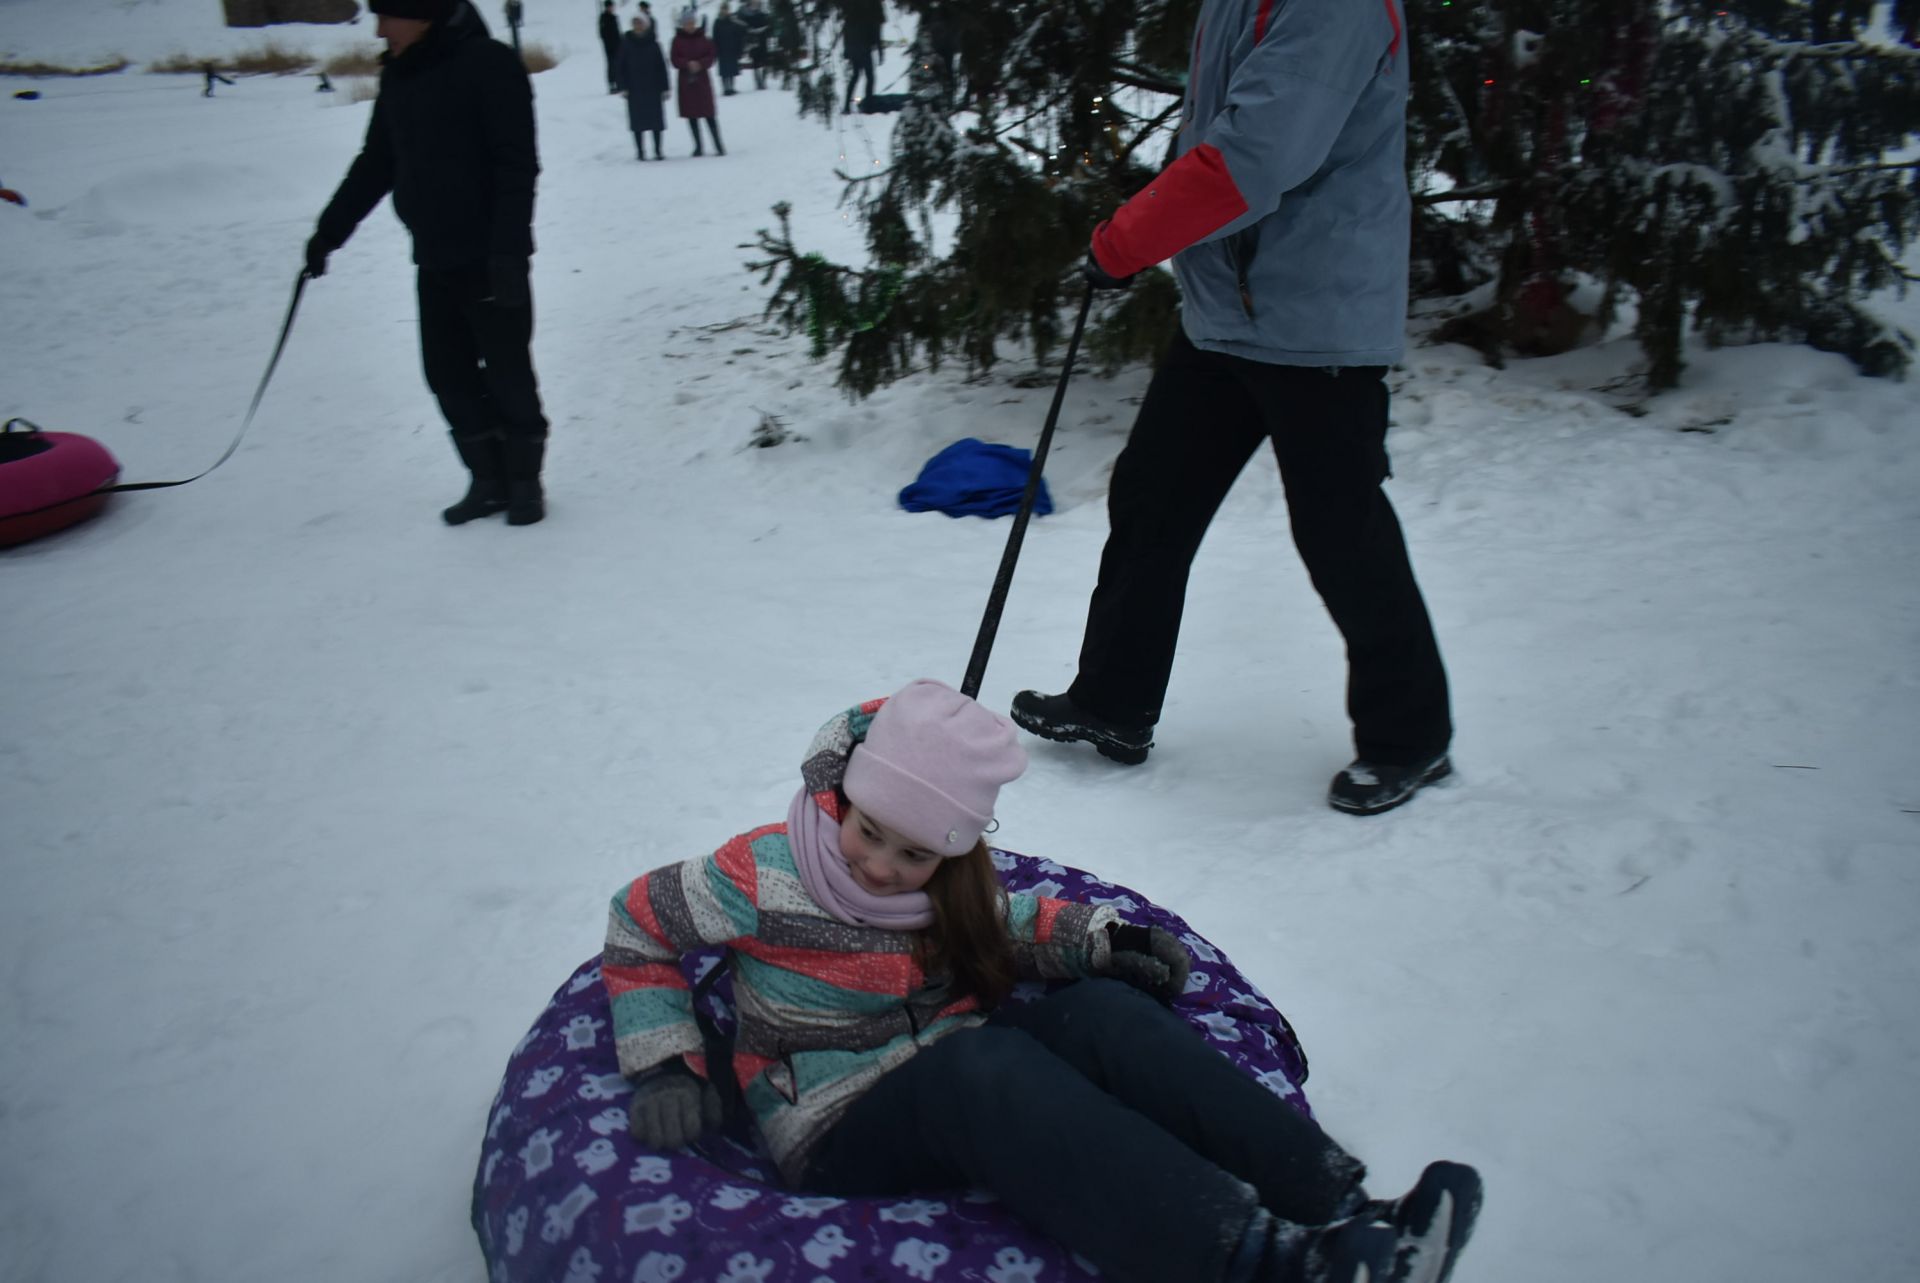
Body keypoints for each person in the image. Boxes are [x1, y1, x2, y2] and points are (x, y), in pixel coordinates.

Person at [604, 678, 1484, 1283]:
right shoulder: (759, 873)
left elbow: (1009, 922)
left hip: (946, 1054)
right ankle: (1265, 1261)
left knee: (1101, 1013)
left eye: (915, 853)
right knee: (979, 1072)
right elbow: (638, 921)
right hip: (829, 1115)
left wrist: (1101, 943)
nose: (879, 866)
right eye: (869, 831)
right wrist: (667, 1063)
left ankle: (1342, 1204)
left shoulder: (945, 877)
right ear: (847, 795)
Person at [1011, 0, 1451, 817]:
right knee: (1152, 498)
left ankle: (1411, 733)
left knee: (1339, 527)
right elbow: (1213, 133)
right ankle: (1114, 702)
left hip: (1320, 318)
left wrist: (1125, 240)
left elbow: (1252, 158)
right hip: (1227, 315)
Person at [304, 0, 549, 526]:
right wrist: (330, 232)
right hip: (434, 256)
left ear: (423, 14)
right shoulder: (402, 74)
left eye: (387, 15)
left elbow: (516, 164)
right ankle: (487, 481)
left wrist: (508, 251)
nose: (379, 28)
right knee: (446, 373)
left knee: (507, 372)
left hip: (490, 255)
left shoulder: (490, 64)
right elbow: (377, 162)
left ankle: (525, 482)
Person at [669, 7, 724, 156]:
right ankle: (698, 146)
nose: (690, 25)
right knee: (691, 115)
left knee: (709, 114)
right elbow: (674, 59)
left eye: (692, 22)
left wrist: (701, 63)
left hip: (702, 80)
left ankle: (718, 145)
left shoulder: (704, 38)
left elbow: (711, 55)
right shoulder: (677, 40)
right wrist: (687, 64)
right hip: (686, 81)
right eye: (687, 23)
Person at [616, 13, 671, 159]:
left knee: (656, 121)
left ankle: (658, 150)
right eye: (635, 23)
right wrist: (622, 86)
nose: (637, 26)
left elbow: (661, 67)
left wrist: (665, 87)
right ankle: (640, 151)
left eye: (640, 23)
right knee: (637, 122)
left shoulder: (654, 44)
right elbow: (620, 67)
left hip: (653, 87)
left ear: (645, 25)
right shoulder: (626, 44)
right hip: (634, 88)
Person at [840, 0, 881, 113]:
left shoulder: (851, 12)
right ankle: (869, 106)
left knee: (855, 76)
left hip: (854, 49)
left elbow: (846, 32)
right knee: (870, 77)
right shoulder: (867, 10)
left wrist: (847, 51)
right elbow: (874, 33)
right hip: (864, 49)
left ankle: (846, 106)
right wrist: (878, 49)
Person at [711, 1, 746, 95]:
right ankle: (726, 88)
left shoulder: (733, 21)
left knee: (732, 69)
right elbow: (715, 37)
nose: (725, 11)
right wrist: (715, 50)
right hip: (722, 49)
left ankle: (731, 87)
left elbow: (738, 36)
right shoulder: (717, 22)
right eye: (723, 9)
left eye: (726, 9)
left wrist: (739, 49)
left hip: (732, 49)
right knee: (724, 71)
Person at [737, 0, 771, 88]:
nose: (755, 2)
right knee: (755, 61)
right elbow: (742, 26)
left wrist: (766, 29)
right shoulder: (745, 13)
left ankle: (763, 80)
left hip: (763, 39)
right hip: (752, 40)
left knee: (764, 60)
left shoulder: (763, 13)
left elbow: (768, 24)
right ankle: (758, 81)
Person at [599, 0, 622, 92]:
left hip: (617, 45)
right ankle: (612, 84)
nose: (612, 8)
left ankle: (619, 83)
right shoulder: (604, 18)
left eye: (612, 6)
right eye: (610, 7)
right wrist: (608, 43)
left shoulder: (614, 17)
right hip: (609, 46)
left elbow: (617, 32)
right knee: (611, 65)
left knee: (618, 64)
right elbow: (602, 33)